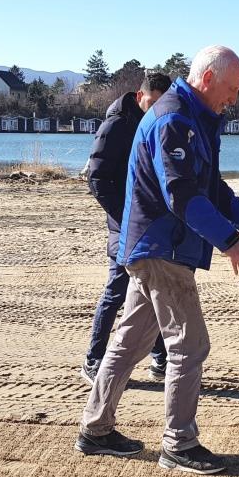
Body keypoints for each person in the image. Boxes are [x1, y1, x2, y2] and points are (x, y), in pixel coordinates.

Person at [76, 46, 239, 475]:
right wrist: (230, 241)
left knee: (130, 342)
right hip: (160, 248)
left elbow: (209, 185)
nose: (233, 99)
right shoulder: (174, 119)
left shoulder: (192, 118)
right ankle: (179, 444)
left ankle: (96, 430)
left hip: (156, 246)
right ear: (205, 79)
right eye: (230, 90)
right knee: (190, 344)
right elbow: (181, 194)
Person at [82, 70, 173, 385]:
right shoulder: (118, 124)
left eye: (163, 103)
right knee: (117, 290)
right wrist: (124, 217)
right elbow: (97, 178)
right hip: (124, 224)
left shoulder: (162, 123)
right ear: (140, 97)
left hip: (152, 221)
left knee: (159, 289)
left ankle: (160, 358)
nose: (157, 108)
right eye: (152, 102)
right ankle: (94, 359)